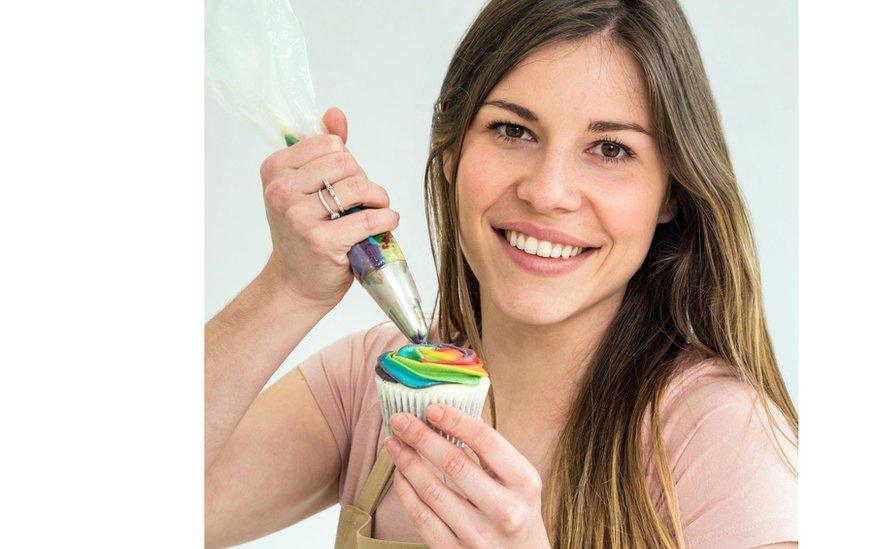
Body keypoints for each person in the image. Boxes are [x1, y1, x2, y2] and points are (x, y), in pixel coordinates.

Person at [205, 0, 798, 547]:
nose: (547, 193)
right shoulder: (378, 383)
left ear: (671, 191)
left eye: (611, 149)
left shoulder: (723, 438)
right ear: (448, 155)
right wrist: (289, 288)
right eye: (513, 131)